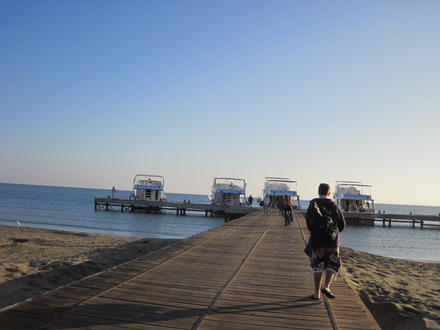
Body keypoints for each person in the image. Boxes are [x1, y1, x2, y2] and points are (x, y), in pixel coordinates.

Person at [306, 183, 345, 300]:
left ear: (318, 192)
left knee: (318, 266)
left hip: (317, 241)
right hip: (332, 241)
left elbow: (308, 223)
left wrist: (316, 231)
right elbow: (342, 225)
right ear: (329, 193)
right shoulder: (334, 206)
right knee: (332, 264)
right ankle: (327, 286)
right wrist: (334, 233)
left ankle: (316, 293)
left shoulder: (313, 204)